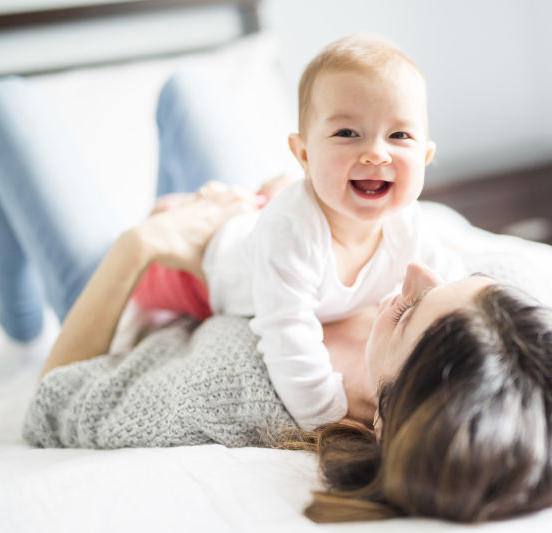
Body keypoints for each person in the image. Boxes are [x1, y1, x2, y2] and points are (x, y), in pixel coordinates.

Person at [0, 41, 552, 525]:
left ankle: (18, 303)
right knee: (190, 89)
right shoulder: (491, 330)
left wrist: (141, 245)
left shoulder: (244, 391)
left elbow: (55, 404)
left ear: (383, 415)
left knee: (4, 105)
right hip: (251, 226)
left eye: (410, 308)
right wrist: (289, 198)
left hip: (147, 286)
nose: (416, 275)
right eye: (348, 132)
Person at [129, 34, 464, 431]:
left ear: (425, 157)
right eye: (347, 133)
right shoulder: (291, 233)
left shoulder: (409, 224)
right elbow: (288, 340)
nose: (377, 152)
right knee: (142, 287)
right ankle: (170, 213)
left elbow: (452, 289)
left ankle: (185, 201)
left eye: (399, 136)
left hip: (257, 223)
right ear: (303, 154)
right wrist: (326, 418)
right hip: (204, 271)